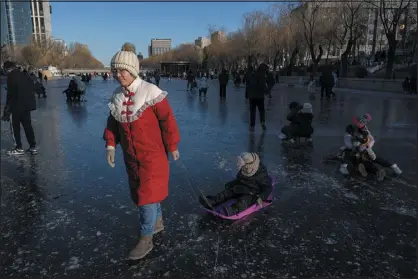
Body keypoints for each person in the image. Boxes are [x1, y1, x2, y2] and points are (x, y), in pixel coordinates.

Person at [103, 43, 181, 260]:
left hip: (153, 157)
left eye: (122, 70)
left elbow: (167, 121)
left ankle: (146, 239)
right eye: (115, 71)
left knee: (146, 196)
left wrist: (172, 145)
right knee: (144, 192)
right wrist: (111, 145)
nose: (118, 75)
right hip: (132, 158)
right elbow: (112, 124)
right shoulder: (117, 96)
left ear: (133, 70)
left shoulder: (150, 92)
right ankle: (157, 221)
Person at [199, 152, 272, 216]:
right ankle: (212, 201)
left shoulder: (262, 176)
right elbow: (239, 179)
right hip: (241, 187)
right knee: (226, 193)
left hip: (252, 193)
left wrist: (262, 197)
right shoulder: (244, 169)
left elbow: (267, 188)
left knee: (243, 201)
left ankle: (233, 209)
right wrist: (231, 184)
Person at [1, 61, 37, 155]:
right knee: (28, 126)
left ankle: (19, 147)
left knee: (15, 127)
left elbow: (11, 96)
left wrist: (7, 111)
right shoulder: (24, 75)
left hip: (16, 106)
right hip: (27, 106)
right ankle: (33, 147)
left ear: (7, 69)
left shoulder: (11, 77)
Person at [246, 64, 268, 132]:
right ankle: (262, 123)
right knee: (261, 110)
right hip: (259, 96)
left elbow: (248, 85)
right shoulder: (261, 76)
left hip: (252, 96)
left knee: (252, 111)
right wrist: (266, 91)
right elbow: (262, 86)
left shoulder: (251, 75)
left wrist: (247, 94)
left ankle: (252, 126)